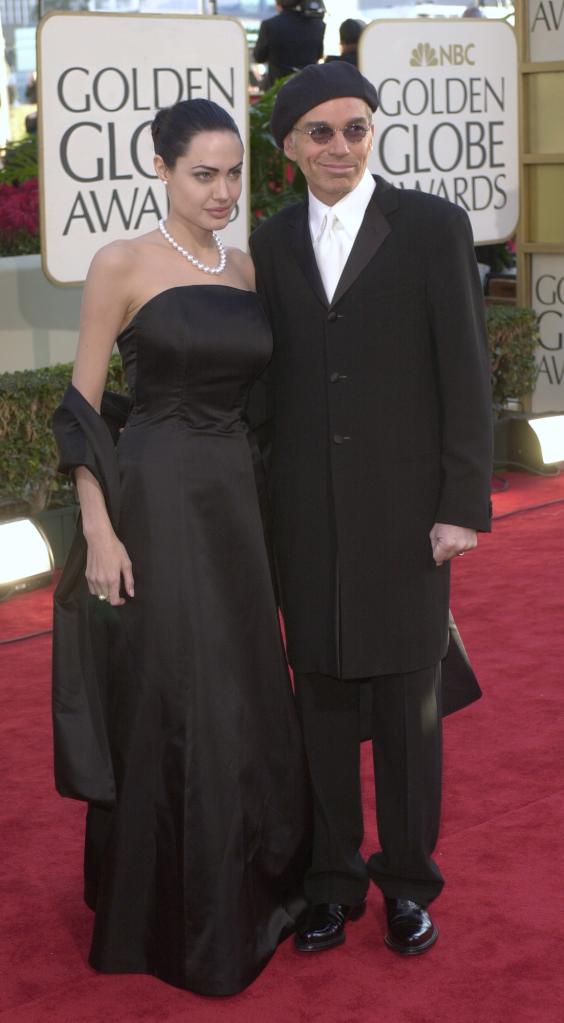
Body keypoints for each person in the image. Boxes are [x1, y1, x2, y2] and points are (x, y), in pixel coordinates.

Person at [51, 98, 309, 996]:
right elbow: (80, 407)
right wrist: (96, 526)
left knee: (245, 683)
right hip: (155, 496)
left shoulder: (244, 268)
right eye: (204, 173)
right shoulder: (120, 262)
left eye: (235, 173)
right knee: (180, 687)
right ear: (161, 168)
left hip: (236, 498)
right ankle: (175, 908)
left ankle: (257, 887)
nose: (223, 191)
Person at [249, 61, 492, 957]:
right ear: (289, 149)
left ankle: (407, 884)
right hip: (304, 521)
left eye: (355, 128)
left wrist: (462, 503)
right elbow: (265, 389)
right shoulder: (270, 245)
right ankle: (331, 882)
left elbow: (467, 372)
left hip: (408, 523)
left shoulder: (431, 226)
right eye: (320, 133)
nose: (341, 147)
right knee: (318, 707)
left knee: (405, 715)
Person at [253, 0, 325, 90]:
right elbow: (319, 55)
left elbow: (259, 56)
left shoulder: (269, 25)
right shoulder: (318, 25)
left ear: (278, 3)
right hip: (308, 88)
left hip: (277, 90)